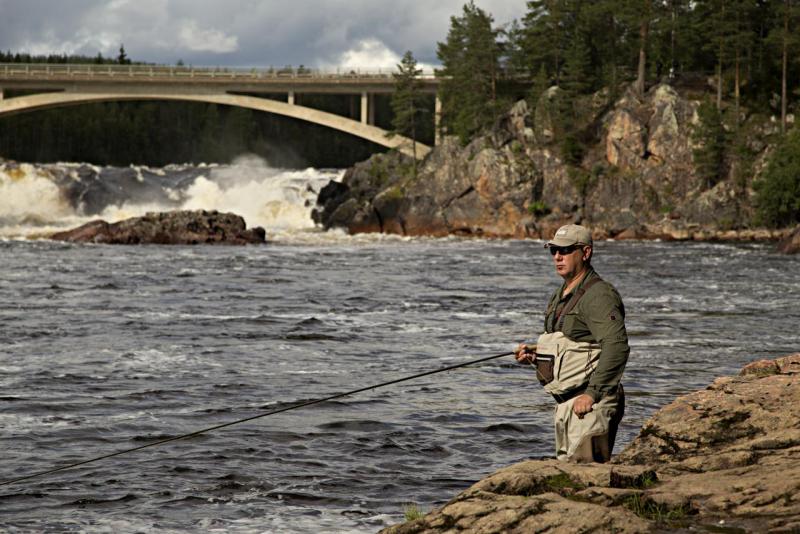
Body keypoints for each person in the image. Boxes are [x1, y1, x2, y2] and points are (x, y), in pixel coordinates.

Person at [515, 224, 629, 463]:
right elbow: (572, 344)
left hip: (589, 405)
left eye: (565, 250)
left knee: (586, 482)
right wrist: (535, 357)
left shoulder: (599, 295)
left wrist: (592, 395)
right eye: (553, 250)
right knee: (569, 479)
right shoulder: (561, 293)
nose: (557, 256)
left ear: (585, 253)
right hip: (567, 407)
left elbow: (616, 346)